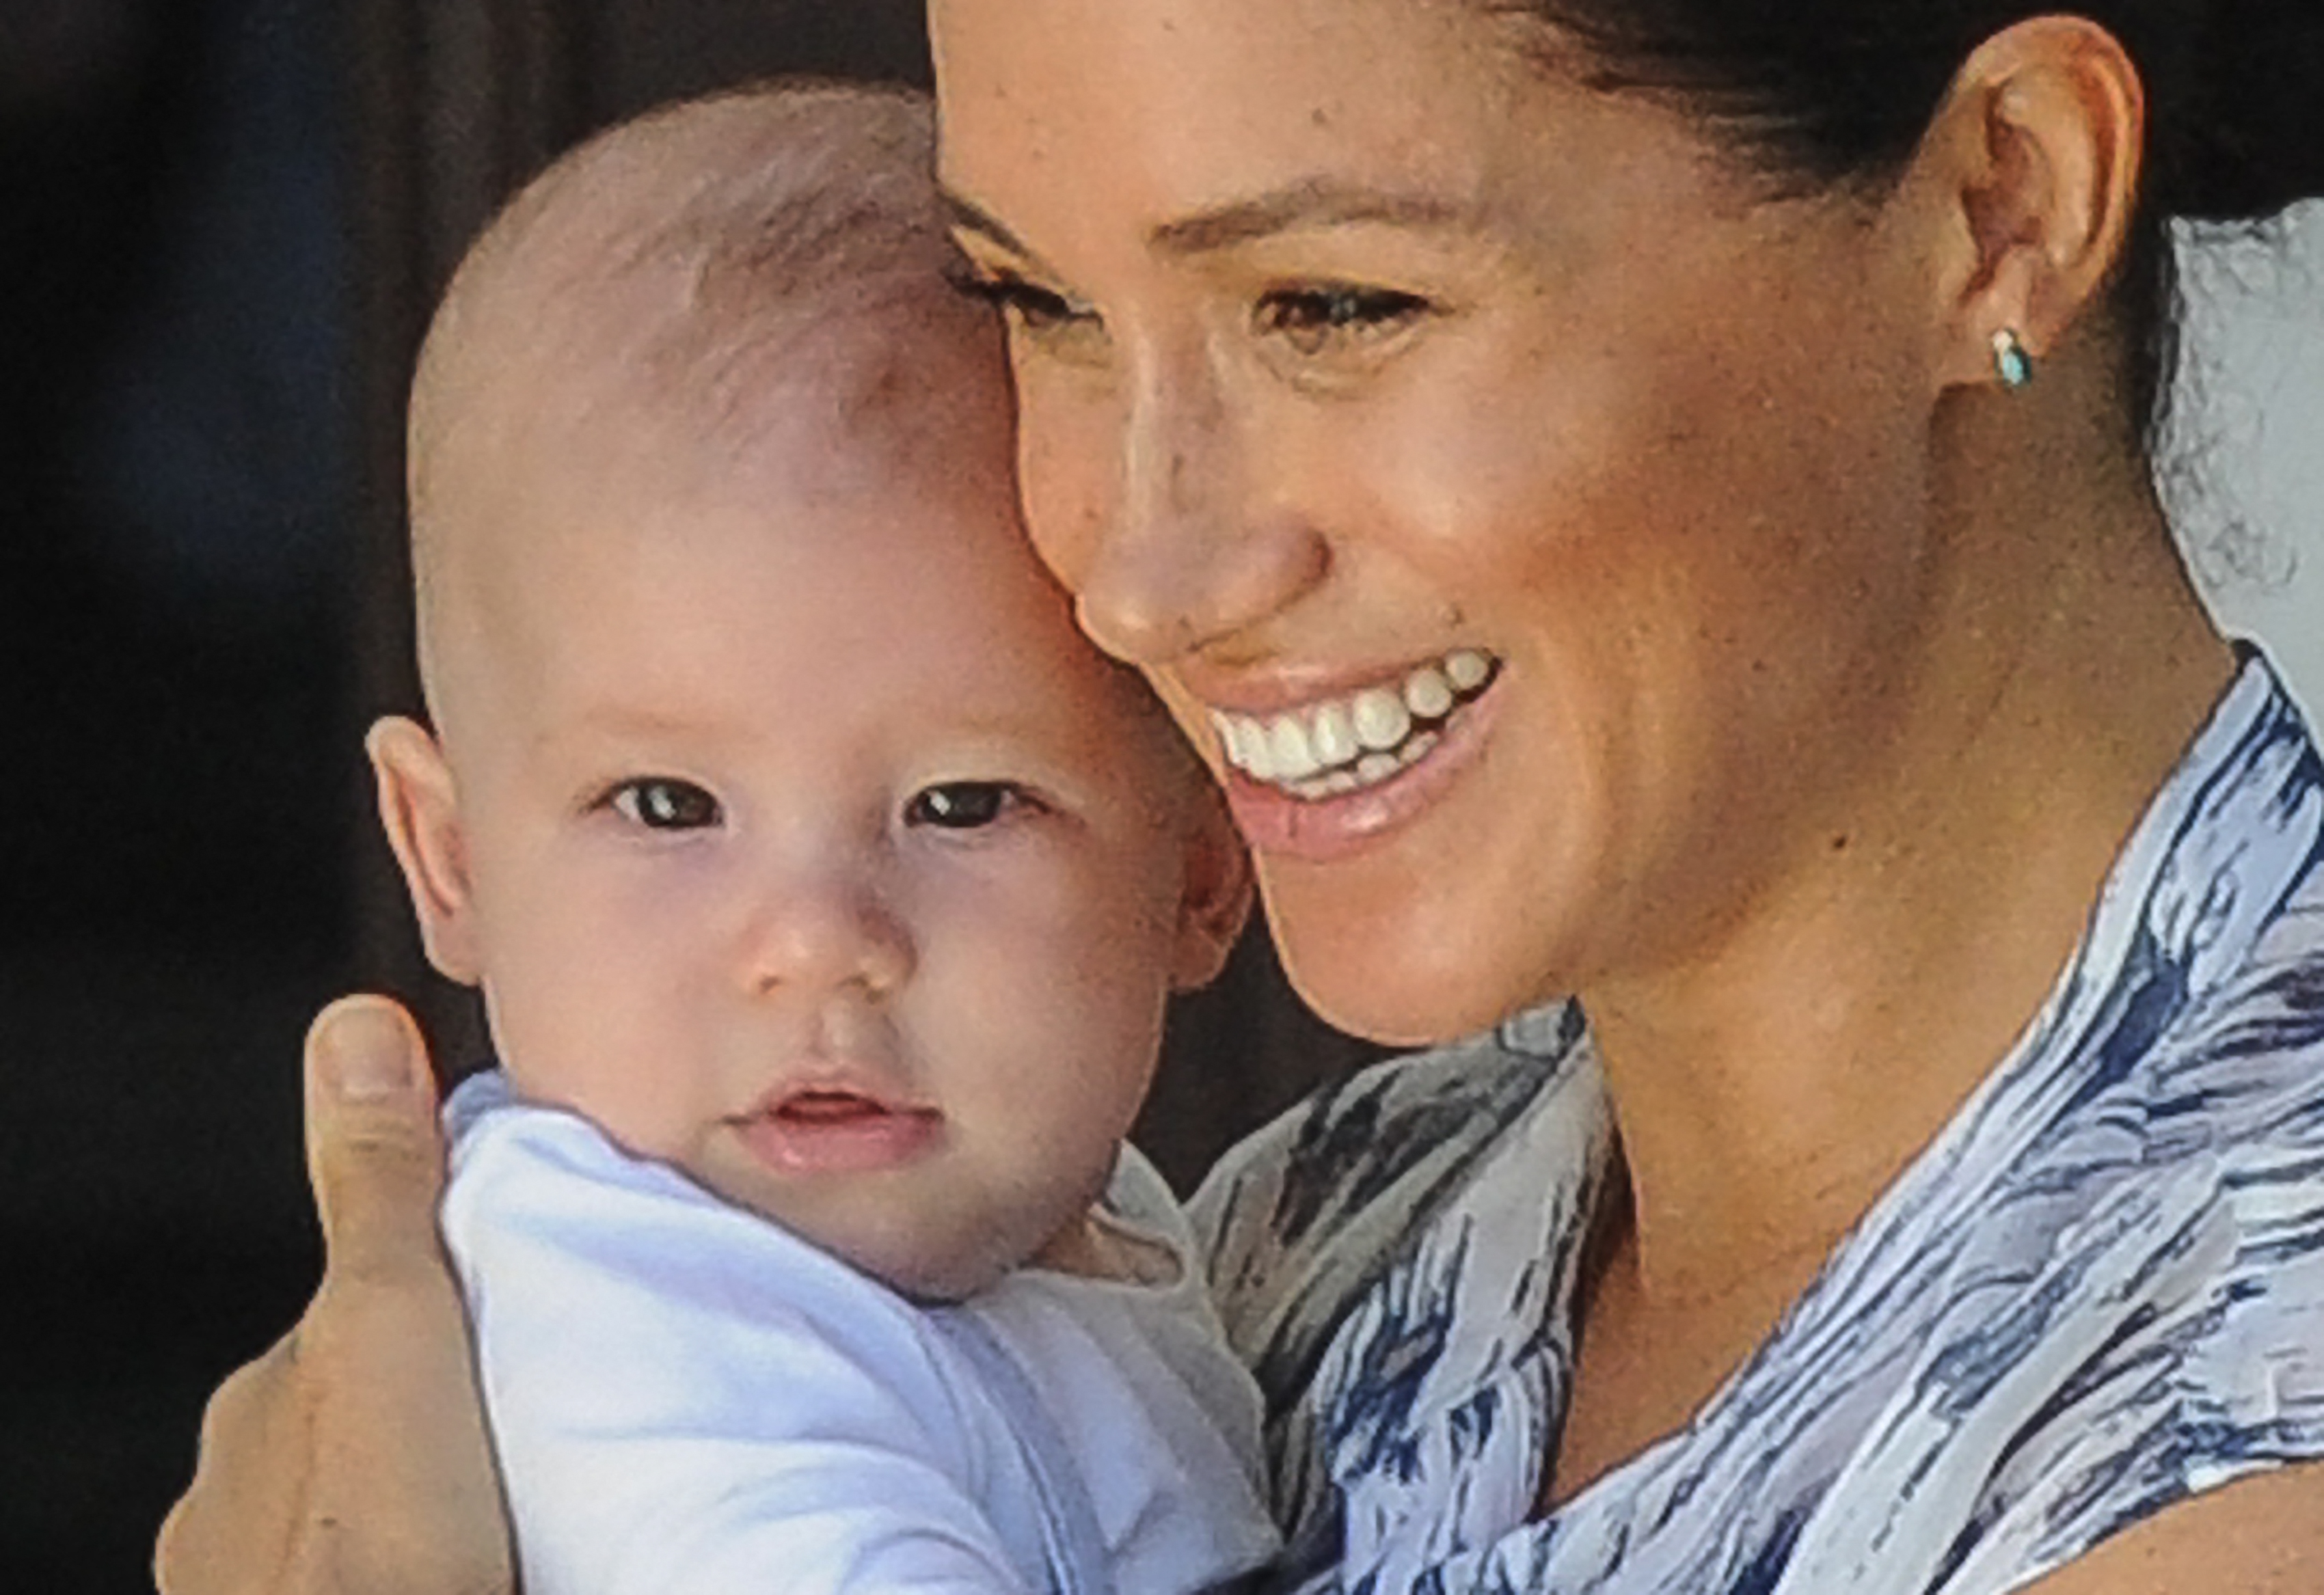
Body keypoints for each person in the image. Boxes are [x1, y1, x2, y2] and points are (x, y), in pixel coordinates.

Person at [157, 2, 2324, 1592]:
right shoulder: (1311, 1230)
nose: (1135, 560)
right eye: (1043, 306)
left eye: (1334, 304)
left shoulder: (2235, 1416)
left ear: (2000, 204)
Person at [297, 82, 1280, 1595]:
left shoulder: (1096, 1221)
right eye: (668, 807)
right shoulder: (632, 1325)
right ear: (451, 861)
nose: (819, 939)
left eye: (960, 807)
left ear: (1198, 871)